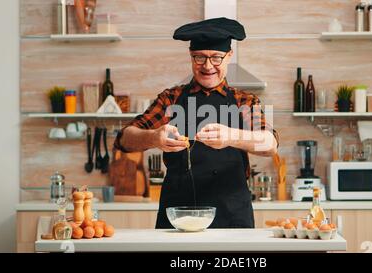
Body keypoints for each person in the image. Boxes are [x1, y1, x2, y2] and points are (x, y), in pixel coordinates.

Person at [114, 17, 278, 228]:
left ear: (229, 56)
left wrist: (232, 136)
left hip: (232, 216)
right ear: (191, 57)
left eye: (216, 58)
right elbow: (124, 138)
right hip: (177, 217)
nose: (207, 66)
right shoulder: (170, 98)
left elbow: (270, 144)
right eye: (199, 58)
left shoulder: (243, 101)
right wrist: (154, 137)